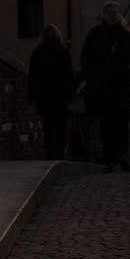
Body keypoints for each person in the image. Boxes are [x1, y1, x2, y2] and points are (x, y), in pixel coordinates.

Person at [79, 2, 130, 172]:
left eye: (115, 12)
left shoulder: (127, 35)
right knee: (107, 122)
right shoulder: (94, 34)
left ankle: (121, 155)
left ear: (120, 15)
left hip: (123, 84)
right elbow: (85, 59)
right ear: (104, 15)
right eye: (109, 12)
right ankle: (109, 158)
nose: (112, 15)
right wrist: (92, 77)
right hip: (103, 85)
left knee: (122, 119)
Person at [26, 23, 77, 159]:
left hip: (45, 96)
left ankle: (49, 154)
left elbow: (32, 77)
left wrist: (31, 97)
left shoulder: (37, 52)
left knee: (48, 127)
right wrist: (71, 95)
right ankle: (59, 154)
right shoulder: (63, 52)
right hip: (60, 97)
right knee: (60, 127)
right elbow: (69, 76)